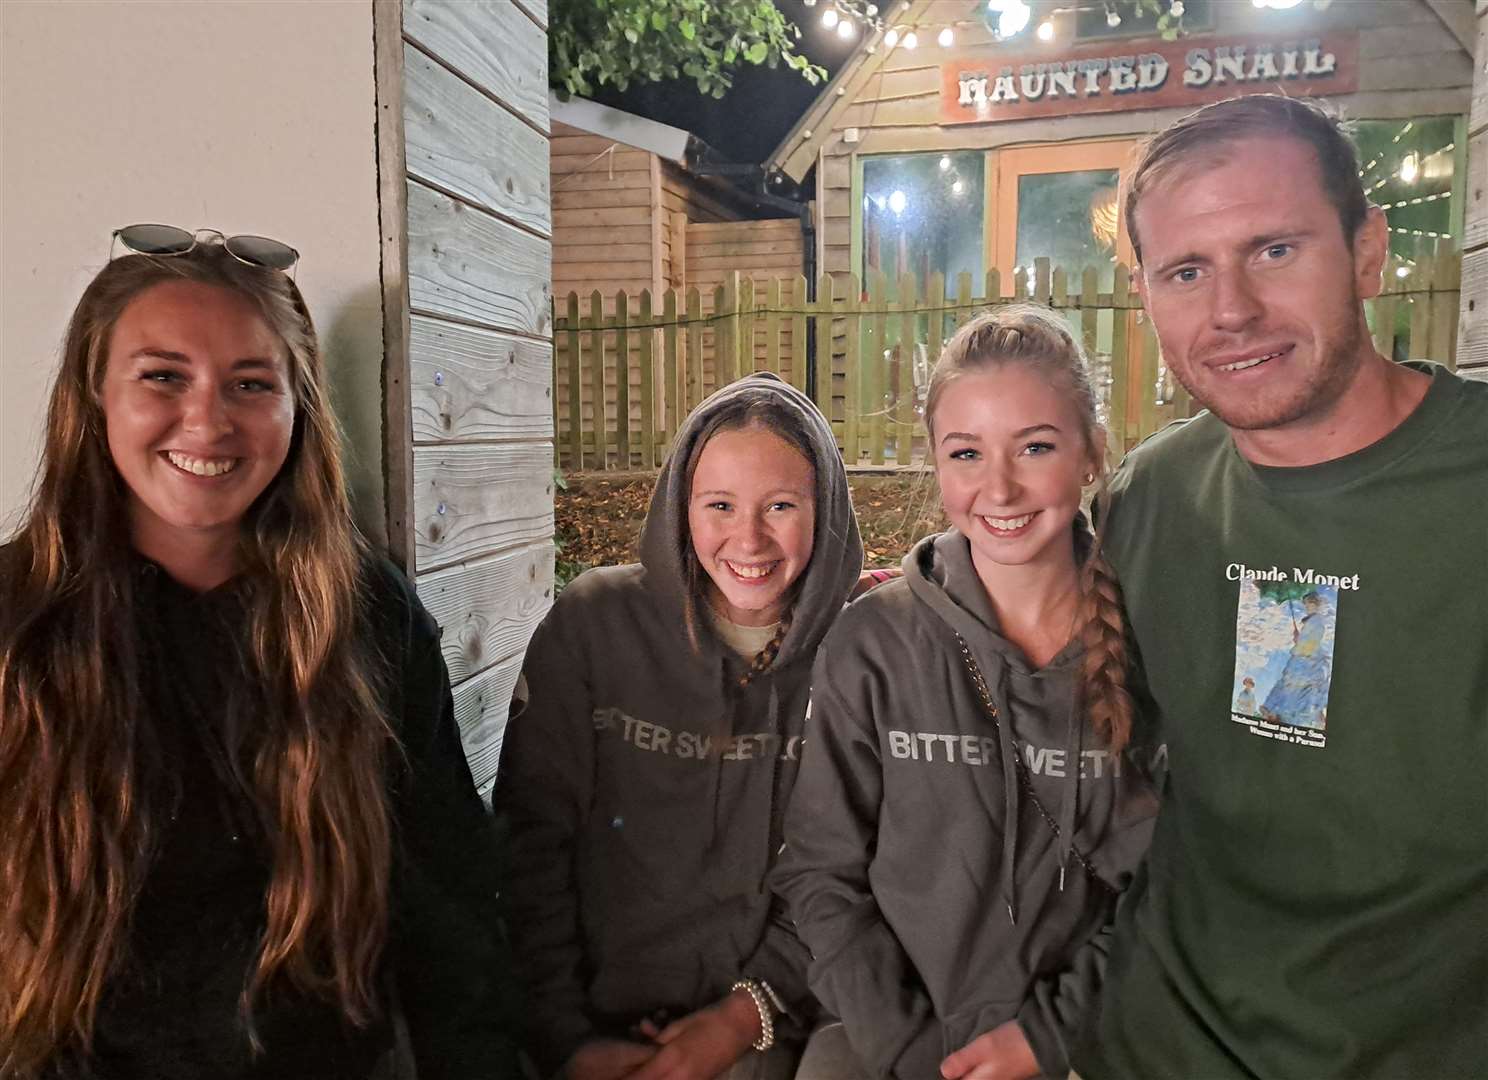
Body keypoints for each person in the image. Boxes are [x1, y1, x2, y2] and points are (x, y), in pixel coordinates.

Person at [0, 233, 515, 1079]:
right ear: (94, 395)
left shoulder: (370, 620)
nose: (208, 419)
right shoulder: (17, 623)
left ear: (297, 409)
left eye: (251, 384)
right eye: (163, 376)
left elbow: (451, 917)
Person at [1074, 94, 1488, 1079]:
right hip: (1148, 1039)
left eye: (1273, 250)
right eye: (1185, 271)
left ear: (1369, 251)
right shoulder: (1153, 496)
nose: (1231, 312)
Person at [774, 306, 1161, 1080]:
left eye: (1036, 447)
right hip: (893, 1048)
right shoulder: (873, 643)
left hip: (1088, 1042)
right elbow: (821, 873)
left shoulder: (1155, 643)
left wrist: (1051, 1036)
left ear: (1091, 453)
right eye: (966, 453)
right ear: (937, 464)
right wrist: (914, 1052)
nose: (1001, 487)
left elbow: (1168, 888)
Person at [496, 373, 863, 1080]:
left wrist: (741, 1020)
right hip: (585, 1023)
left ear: (826, 510)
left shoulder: (860, 653)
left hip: (770, 1023)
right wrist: (564, 1037)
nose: (748, 538)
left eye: (781, 505)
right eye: (719, 504)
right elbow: (531, 842)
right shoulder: (593, 626)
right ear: (679, 508)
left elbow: (851, 873)